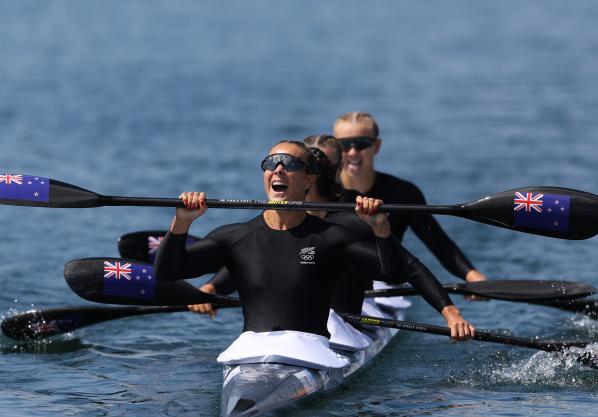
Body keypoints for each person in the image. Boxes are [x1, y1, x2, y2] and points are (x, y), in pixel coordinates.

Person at [155, 140, 409, 340]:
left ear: (309, 180)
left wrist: (380, 228)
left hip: (313, 351)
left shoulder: (331, 238)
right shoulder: (235, 236)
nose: (278, 168)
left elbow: (394, 273)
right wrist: (182, 222)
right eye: (271, 162)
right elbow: (167, 271)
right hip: (252, 351)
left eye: (290, 163)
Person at [303, 136, 475, 340]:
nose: (317, 172)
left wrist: (451, 314)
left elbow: (409, 267)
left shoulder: (351, 217)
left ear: (339, 168)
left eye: (323, 165)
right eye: (308, 166)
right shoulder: (279, 217)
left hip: (345, 319)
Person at [333, 112, 487, 284]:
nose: (353, 152)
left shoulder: (402, 192)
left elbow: (438, 242)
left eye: (362, 144)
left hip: (386, 287)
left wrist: (472, 276)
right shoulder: (324, 193)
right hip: (336, 286)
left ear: (376, 146)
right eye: (344, 145)